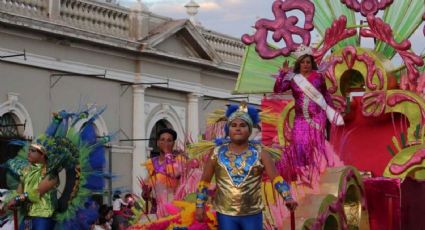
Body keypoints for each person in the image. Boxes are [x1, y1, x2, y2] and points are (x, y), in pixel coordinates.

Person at [194, 102, 297, 229]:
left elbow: (276, 178)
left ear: (249, 130)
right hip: (226, 213)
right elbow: (204, 181)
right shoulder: (216, 152)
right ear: (228, 129)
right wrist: (199, 206)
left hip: (252, 214)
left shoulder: (260, 152)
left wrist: (288, 197)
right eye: (234, 125)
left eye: (243, 125)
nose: (238, 128)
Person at [273, 45, 344, 183]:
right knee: (299, 144)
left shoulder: (318, 76)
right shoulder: (293, 78)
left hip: (317, 117)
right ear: (298, 64)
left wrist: (332, 112)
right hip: (300, 119)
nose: (305, 64)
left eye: (308, 62)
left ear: (312, 63)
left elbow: (325, 96)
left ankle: (317, 173)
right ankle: (301, 176)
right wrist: (282, 74)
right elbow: (278, 89)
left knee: (315, 144)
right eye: (303, 62)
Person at [6, 143, 58, 230]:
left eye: (33, 151)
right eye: (29, 150)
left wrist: (17, 199)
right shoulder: (26, 171)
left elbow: (36, 193)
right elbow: (19, 192)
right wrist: (11, 200)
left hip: (43, 216)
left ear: (42, 155)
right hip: (28, 216)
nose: (29, 152)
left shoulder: (50, 172)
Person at [142, 128, 185, 217]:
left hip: (173, 209)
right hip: (154, 209)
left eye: (169, 140)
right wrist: (145, 193)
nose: (165, 142)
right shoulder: (151, 163)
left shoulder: (179, 161)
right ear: (158, 143)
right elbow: (147, 189)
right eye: (162, 139)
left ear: (173, 144)